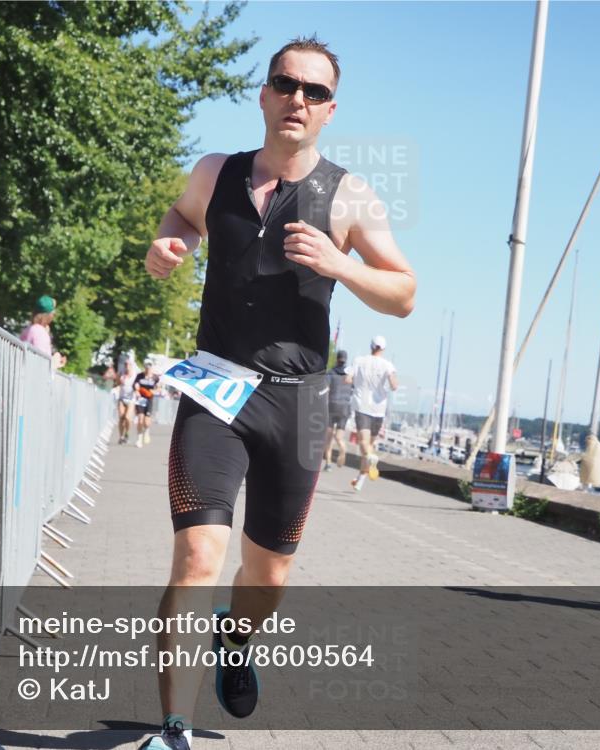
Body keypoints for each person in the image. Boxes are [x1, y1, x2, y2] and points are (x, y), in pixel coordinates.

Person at [142, 36, 415, 750]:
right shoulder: (214, 172)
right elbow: (178, 218)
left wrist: (341, 266)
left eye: (314, 92)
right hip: (215, 389)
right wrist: (167, 245)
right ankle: (174, 728)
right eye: (286, 85)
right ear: (263, 95)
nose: (298, 99)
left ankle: (237, 638)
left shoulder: (349, 195)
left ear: (329, 110)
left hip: (297, 406)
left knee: (267, 572)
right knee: (200, 556)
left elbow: (405, 292)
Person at [347, 335, 398, 493]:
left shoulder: (359, 360)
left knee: (364, 444)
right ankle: (360, 480)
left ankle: (369, 462)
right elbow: (394, 385)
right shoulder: (387, 365)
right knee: (369, 446)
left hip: (362, 406)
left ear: (371, 346)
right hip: (379, 409)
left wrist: (356, 384)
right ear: (383, 349)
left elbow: (348, 379)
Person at [321, 349, 353, 471]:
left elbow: (326, 389)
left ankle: (328, 464)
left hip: (332, 407)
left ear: (337, 359)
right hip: (345, 408)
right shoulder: (350, 375)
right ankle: (343, 448)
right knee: (339, 437)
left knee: (328, 438)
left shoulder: (331, 373)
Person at [19, 295, 67, 370]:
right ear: (49, 315)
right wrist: (55, 361)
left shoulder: (28, 329)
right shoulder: (39, 332)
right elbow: (41, 362)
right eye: (53, 314)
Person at [133, 359, 161, 448]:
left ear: (151, 367)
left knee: (146, 422)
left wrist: (155, 390)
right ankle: (139, 438)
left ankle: (147, 430)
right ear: (144, 367)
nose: (148, 368)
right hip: (140, 399)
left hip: (149, 400)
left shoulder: (155, 378)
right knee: (140, 419)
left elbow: (159, 388)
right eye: (146, 366)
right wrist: (136, 390)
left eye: (149, 366)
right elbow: (135, 385)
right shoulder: (139, 376)